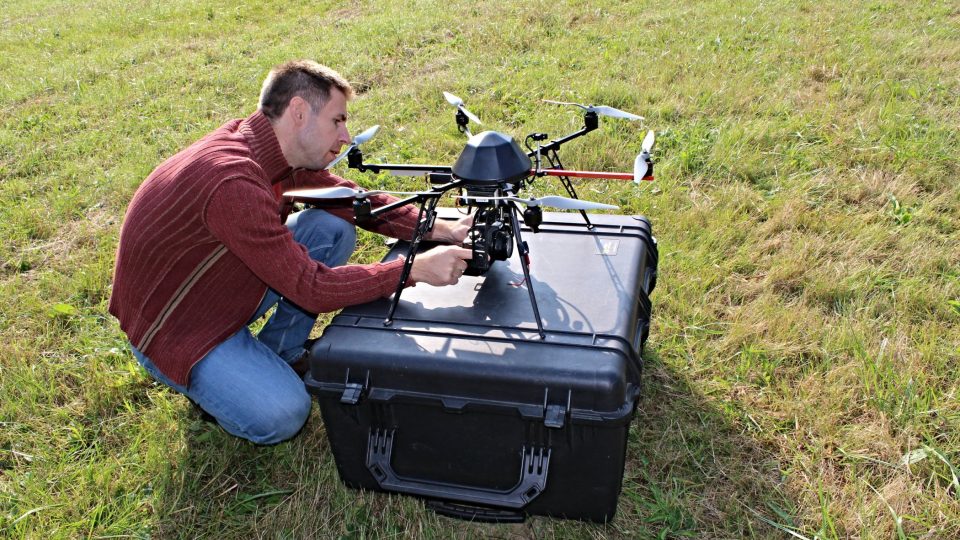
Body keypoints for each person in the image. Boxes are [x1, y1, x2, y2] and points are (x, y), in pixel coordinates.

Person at [109, 60, 473, 444]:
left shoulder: (269, 148)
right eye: (337, 120)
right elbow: (310, 287)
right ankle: (217, 383)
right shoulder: (233, 183)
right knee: (284, 413)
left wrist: (437, 228)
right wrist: (409, 270)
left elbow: (349, 199)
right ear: (299, 112)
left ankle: (279, 351)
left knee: (331, 229)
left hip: (217, 283)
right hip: (177, 329)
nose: (346, 135)